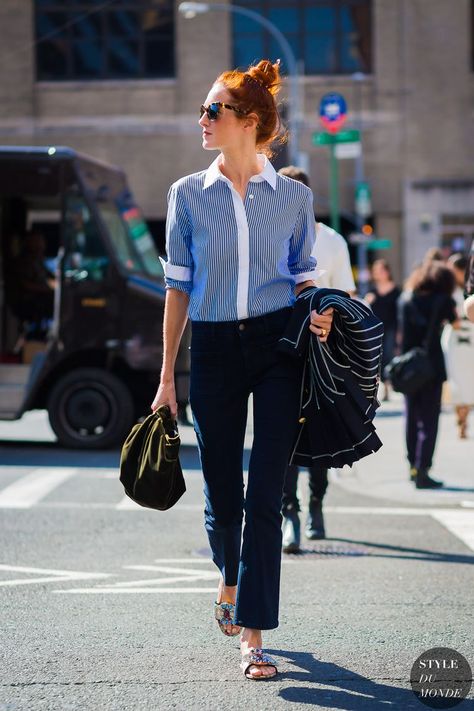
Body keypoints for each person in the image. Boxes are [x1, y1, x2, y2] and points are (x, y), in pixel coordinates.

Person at [150, 59, 334, 680]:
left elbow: (304, 273)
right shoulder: (186, 195)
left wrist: (320, 314)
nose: (202, 120)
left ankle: (253, 637)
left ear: (248, 123)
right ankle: (230, 575)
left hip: (279, 345)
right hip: (216, 347)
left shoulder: (293, 196)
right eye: (203, 110)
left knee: (265, 496)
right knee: (224, 494)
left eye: (213, 111)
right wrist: (166, 377)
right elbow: (178, 288)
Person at [277, 165, 356, 551]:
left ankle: (316, 507)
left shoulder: (332, 241)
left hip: (324, 355)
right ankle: (289, 512)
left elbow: (346, 299)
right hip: (282, 353)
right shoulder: (268, 235)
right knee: (285, 436)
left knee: (320, 433)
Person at [398, 260, 457, 489]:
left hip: (408, 368)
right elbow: (457, 322)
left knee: (411, 419)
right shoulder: (444, 301)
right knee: (429, 422)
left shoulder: (406, 299)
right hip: (431, 367)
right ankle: (423, 469)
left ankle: (412, 466)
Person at [442, 254, 474, 438]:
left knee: (470, 381)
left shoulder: (470, 287)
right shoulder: (447, 289)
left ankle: (465, 419)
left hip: (471, 336)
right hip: (454, 337)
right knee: (455, 380)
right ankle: (459, 417)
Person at [365, 259, 401, 402]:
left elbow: (400, 314)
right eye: (376, 271)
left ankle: (388, 386)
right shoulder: (372, 292)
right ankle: (380, 388)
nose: (378, 274)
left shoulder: (396, 291)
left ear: (387, 272)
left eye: (381, 270)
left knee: (388, 357)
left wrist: (400, 333)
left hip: (392, 328)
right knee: (377, 359)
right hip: (376, 331)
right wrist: (367, 301)